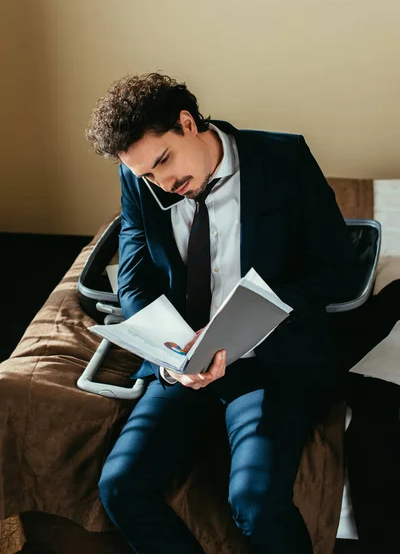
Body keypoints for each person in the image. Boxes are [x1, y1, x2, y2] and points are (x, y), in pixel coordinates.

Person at [86, 72, 398, 554]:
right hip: (182, 362)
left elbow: (336, 267)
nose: (163, 183)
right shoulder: (139, 181)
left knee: (254, 497)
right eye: (147, 174)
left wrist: (254, 313)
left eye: (164, 161)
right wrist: (170, 349)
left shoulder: (283, 158)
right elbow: (133, 279)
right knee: (120, 487)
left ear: (188, 123)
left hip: (267, 359)